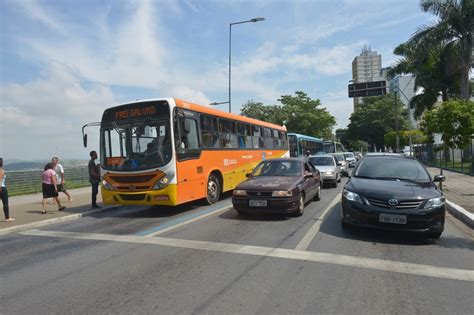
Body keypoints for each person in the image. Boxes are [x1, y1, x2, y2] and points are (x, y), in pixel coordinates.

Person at [0, 158, 15, 222]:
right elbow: (0, 180)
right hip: (2, 188)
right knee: (5, 203)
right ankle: (7, 218)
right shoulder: (1, 171)